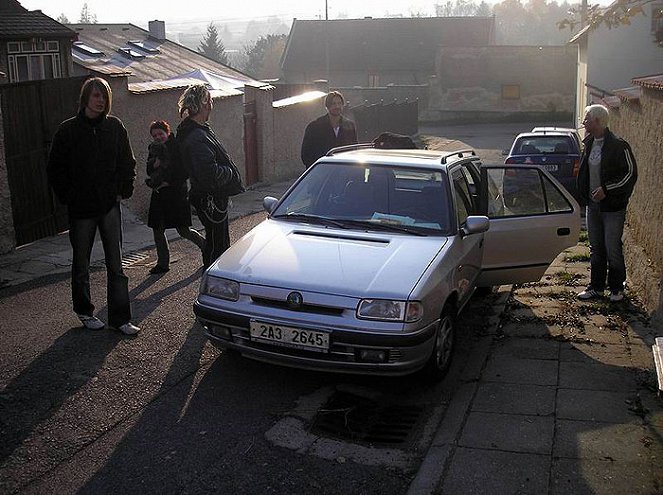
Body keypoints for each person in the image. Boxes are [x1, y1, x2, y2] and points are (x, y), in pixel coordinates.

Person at [47, 77, 140, 335]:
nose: (100, 100)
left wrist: (123, 190)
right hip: (81, 209)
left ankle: (120, 318)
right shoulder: (68, 131)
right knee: (81, 263)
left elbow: (127, 162)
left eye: (104, 96)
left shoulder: (115, 127)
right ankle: (85, 312)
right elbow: (55, 168)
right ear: (86, 98)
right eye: (96, 95)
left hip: (109, 204)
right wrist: (68, 197)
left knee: (116, 264)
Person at [577, 104, 638, 302]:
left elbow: (629, 174)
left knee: (612, 247)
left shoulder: (619, 145)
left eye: (587, 118)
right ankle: (596, 287)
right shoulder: (588, 143)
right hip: (593, 207)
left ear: (597, 121)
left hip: (612, 208)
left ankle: (616, 288)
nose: (584, 122)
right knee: (596, 248)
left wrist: (607, 189)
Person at [176, 84, 238, 268]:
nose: (211, 104)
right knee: (216, 248)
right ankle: (212, 287)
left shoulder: (200, 130)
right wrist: (230, 173)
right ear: (204, 104)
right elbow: (209, 174)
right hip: (209, 198)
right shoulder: (196, 136)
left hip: (212, 197)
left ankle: (215, 285)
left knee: (218, 244)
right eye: (209, 100)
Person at [145, 120, 205, 274]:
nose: (158, 137)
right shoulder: (154, 148)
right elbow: (148, 168)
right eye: (155, 135)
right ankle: (163, 263)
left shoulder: (177, 147)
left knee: (183, 230)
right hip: (159, 194)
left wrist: (168, 182)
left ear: (167, 132)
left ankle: (206, 247)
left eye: (160, 134)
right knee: (157, 229)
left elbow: (184, 171)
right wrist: (154, 165)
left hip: (176, 195)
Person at [301, 90, 358, 168]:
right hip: (322, 172)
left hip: (343, 171)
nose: (337, 107)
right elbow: (306, 154)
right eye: (333, 104)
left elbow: (354, 150)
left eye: (339, 103)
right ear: (327, 106)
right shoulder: (314, 127)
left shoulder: (349, 126)